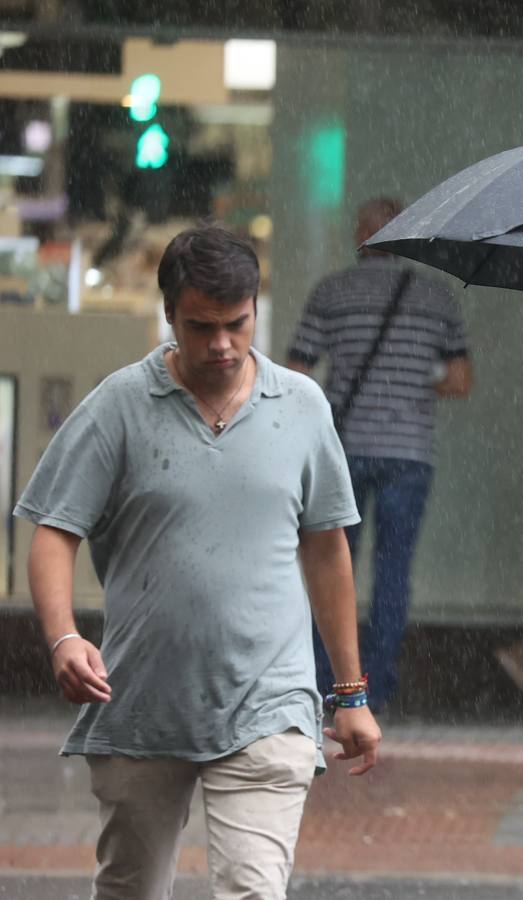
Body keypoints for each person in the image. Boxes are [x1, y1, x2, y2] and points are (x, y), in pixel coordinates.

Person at [15, 225, 380, 900]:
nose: (221, 344)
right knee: (131, 888)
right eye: (200, 326)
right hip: (140, 701)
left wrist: (351, 694)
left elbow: (327, 550)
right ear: (169, 317)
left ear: (256, 308)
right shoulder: (119, 407)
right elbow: (53, 531)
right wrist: (63, 636)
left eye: (236, 325)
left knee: (252, 890)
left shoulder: (301, 407)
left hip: (270, 704)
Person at [288, 197, 472, 713]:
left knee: (332, 567)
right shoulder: (437, 298)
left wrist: (339, 396)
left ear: (360, 237)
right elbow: (460, 381)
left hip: (342, 453)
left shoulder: (332, 292)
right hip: (410, 454)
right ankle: (379, 687)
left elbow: (295, 372)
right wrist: (414, 384)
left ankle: (329, 683)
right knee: (393, 572)